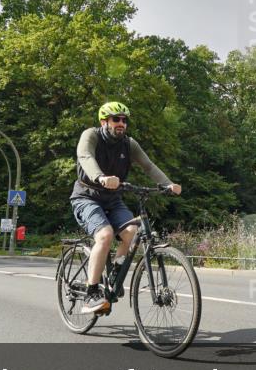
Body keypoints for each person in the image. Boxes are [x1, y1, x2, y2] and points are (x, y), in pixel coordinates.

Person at [70, 101, 181, 315]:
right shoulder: (91, 135)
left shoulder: (129, 144)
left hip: (113, 199)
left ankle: (116, 271)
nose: (121, 123)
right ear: (104, 122)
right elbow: (85, 156)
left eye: (124, 120)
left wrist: (168, 183)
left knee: (132, 233)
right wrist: (100, 177)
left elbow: (148, 166)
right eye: (116, 119)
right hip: (87, 196)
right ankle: (91, 293)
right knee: (105, 236)